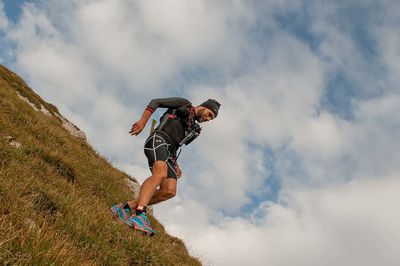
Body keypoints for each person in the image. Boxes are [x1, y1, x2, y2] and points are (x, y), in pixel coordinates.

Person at [111, 97, 221, 235]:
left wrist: (175, 164)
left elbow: (177, 143)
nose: (208, 119)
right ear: (204, 106)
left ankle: (124, 208)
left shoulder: (194, 128)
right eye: (210, 114)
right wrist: (143, 122)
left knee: (169, 191)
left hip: (170, 154)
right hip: (159, 139)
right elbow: (155, 102)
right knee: (160, 174)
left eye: (212, 119)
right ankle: (139, 214)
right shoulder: (184, 104)